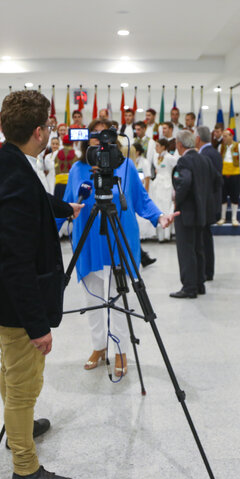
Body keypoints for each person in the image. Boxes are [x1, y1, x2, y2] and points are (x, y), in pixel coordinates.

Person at [0, 90, 83, 479]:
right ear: (39, 131)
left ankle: (17, 425)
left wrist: (65, 208)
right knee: (24, 384)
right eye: (50, 126)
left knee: (10, 368)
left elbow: (35, 203)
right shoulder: (17, 176)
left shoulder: (5, 162)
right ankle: (25, 468)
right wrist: (39, 327)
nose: (51, 132)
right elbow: (18, 263)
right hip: (15, 303)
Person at [62, 120, 175, 376]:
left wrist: (159, 217)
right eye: (95, 139)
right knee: (92, 299)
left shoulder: (126, 166)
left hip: (118, 238)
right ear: (87, 142)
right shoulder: (77, 169)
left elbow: (140, 199)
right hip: (89, 241)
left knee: (120, 296)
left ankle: (121, 350)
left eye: (107, 139)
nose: (101, 145)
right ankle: (98, 346)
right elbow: (66, 204)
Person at [170, 130, 215, 299]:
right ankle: (199, 284)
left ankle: (189, 287)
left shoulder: (184, 161)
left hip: (186, 212)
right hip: (201, 211)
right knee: (198, 249)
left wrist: (177, 201)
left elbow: (185, 182)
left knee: (186, 251)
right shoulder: (204, 159)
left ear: (179, 145)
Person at [197, 127, 223, 281]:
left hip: (207, 202)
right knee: (205, 236)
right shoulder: (212, 152)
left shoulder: (208, 154)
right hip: (209, 201)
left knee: (205, 238)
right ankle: (206, 269)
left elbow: (213, 180)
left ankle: (207, 271)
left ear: (199, 138)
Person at [217, 128, 240, 227]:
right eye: (223, 136)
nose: (223, 138)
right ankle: (223, 217)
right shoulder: (220, 146)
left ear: (231, 136)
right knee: (223, 196)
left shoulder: (239, 146)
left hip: (235, 174)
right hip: (223, 174)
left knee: (235, 196)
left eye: (225, 136)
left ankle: (234, 217)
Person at [150, 138, 177, 243]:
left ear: (163, 147)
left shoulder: (170, 158)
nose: (156, 148)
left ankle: (167, 235)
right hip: (158, 185)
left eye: (158, 146)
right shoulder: (156, 157)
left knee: (166, 207)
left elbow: (177, 168)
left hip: (167, 185)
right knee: (158, 207)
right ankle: (159, 235)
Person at [54, 135, 77, 201]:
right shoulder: (77, 153)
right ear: (72, 143)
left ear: (63, 143)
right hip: (71, 183)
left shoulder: (56, 153)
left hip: (59, 183)